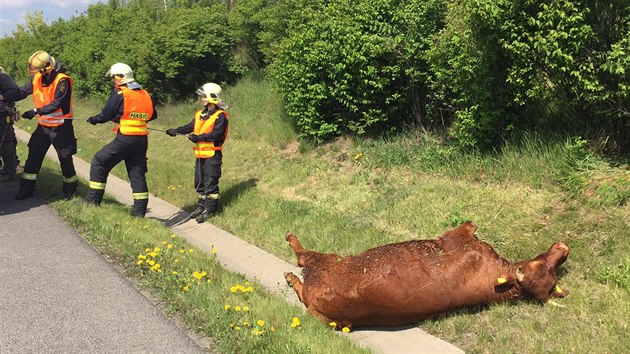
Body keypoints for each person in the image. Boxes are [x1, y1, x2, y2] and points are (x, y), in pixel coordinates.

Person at [83, 63, 158, 217]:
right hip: (141, 140)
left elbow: (106, 114)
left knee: (99, 161)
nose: (112, 81)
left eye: (113, 77)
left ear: (119, 77)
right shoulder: (144, 93)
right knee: (137, 173)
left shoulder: (120, 93)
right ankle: (138, 213)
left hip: (126, 138)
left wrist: (94, 119)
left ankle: (92, 201)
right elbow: (153, 114)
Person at [15, 51, 78, 200]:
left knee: (65, 159)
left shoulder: (63, 81)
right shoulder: (37, 78)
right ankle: (26, 190)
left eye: (38, 72)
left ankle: (70, 191)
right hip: (43, 127)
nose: (36, 75)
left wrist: (36, 111)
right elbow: (21, 92)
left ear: (47, 69)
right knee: (33, 157)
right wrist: (4, 97)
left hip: (62, 128)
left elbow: (58, 103)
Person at [165, 83, 229, 223]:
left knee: (210, 182)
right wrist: (176, 131)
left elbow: (216, 135)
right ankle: (201, 206)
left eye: (204, 96)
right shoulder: (200, 114)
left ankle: (210, 209)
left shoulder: (220, 116)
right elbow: (190, 127)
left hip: (213, 155)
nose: (202, 99)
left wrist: (198, 138)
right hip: (200, 155)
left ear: (212, 97)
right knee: (199, 182)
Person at [0, 66, 28, 182]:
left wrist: (1, 97)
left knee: (5, 144)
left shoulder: (3, 77)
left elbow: (16, 93)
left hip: (2, 117)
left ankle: (9, 172)